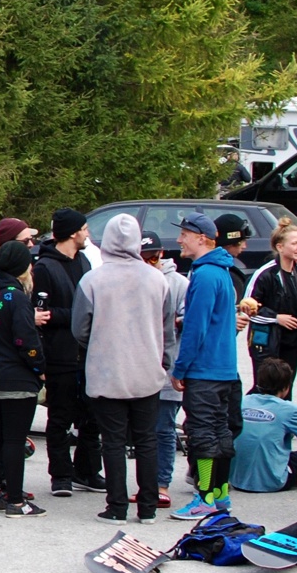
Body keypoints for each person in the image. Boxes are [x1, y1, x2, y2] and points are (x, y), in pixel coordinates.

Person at [73, 213, 171, 523]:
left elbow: (80, 329)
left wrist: (100, 342)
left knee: (112, 441)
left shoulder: (93, 279)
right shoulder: (157, 279)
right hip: (146, 369)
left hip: (107, 370)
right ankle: (148, 507)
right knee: (146, 439)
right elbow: (166, 326)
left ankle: (116, 507)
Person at [169, 214, 243, 520]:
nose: (179, 240)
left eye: (185, 234)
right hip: (225, 370)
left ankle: (206, 497)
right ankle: (220, 494)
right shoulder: (223, 271)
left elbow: (196, 327)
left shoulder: (204, 275)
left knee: (201, 436)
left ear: (202, 238)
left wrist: (180, 368)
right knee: (221, 434)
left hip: (204, 371)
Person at [0, 240, 47, 517]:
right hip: (15, 379)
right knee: (14, 440)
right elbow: (26, 340)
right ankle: (16, 500)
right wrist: (39, 366)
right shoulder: (16, 297)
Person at [34, 208, 103, 497]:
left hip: (87, 352)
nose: (87, 233)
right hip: (59, 352)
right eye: (84, 229)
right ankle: (60, 474)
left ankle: (87, 470)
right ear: (73, 232)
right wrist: (76, 314)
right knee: (60, 416)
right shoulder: (44, 267)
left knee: (92, 415)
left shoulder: (85, 262)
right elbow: (41, 312)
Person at [232, 358, 297, 492]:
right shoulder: (289, 410)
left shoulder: (243, 402)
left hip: (237, 480)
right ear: (286, 387)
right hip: (273, 481)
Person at [146, 233, 186, 510]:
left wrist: (174, 320)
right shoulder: (135, 279)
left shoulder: (179, 282)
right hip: (140, 367)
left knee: (163, 428)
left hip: (168, 363)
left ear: (161, 256)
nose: (147, 263)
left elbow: (188, 318)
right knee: (143, 430)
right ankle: (145, 484)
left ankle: (161, 484)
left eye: (151, 257)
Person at [242, 221, 297, 375]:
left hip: (290, 343)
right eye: (294, 243)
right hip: (265, 343)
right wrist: (276, 318)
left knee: (286, 388)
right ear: (280, 247)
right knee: (265, 387)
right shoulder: (264, 274)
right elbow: (248, 309)